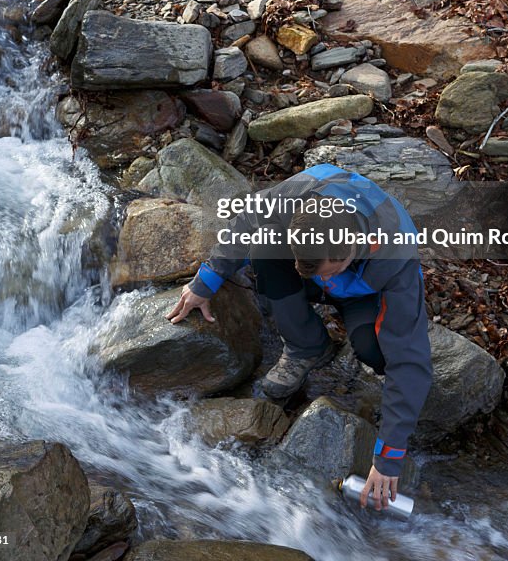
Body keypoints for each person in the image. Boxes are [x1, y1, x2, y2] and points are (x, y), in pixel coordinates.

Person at [167, 162, 432, 511]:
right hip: (323, 266)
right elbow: (244, 223)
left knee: (376, 350)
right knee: (263, 249)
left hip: (365, 294)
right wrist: (206, 283)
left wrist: (388, 457)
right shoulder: (294, 197)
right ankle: (307, 345)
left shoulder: (396, 252)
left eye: (329, 269)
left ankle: (354, 335)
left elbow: (410, 363)